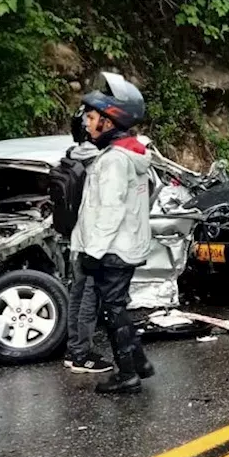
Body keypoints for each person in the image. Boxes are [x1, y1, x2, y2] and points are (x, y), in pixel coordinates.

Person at [70, 84, 157, 393]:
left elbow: (110, 210)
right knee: (116, 306)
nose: (85, 122)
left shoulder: (114, 161)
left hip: (112, 248)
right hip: (123, 245)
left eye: (92, 116)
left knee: (112, 311)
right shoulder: (122, 154)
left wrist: (92, 252)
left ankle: (127, 375)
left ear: (109, 120)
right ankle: (140, 363)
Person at [61, 110, 111, 375]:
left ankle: (73, 350)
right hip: (93, 239)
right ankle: (82, 354)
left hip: (77, 237)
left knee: (78, 294)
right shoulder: (98, 162)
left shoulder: (70, 157)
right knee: (89, 296)